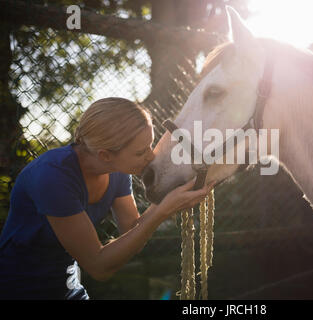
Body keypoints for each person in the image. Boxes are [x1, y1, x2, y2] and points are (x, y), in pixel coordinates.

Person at [0, 97, 215, 299]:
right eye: (141, 152)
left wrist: (167, 199)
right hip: (18, 288)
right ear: (105, 155)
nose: (151, 156)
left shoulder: (118, 171)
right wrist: (162, 210)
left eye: (150, 145)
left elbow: (133, 234)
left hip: (68, 288)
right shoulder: (53, 177)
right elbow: (99, 266)